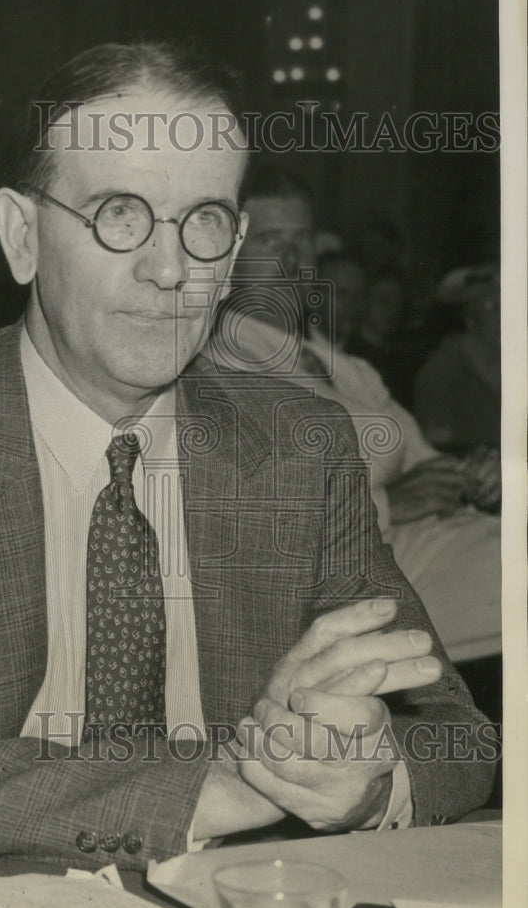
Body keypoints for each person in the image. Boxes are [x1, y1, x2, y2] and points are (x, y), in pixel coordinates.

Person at [0, 43, 494, 870]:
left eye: (204, 222)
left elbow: (461, 739)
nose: (170, 270)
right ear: (22, 236)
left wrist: (368, 779)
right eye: (119, 213)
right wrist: (230, 784)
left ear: (232, 255)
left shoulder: (304, 450)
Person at [211, 165, 501, 666]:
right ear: (229, 254)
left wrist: (477, 475)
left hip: (437, 542)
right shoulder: (216, 363)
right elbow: (248, 516)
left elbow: (425, 460)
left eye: (301, 237)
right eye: (269, 239)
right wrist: (390, 504)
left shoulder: (343, 365)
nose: (291, 255)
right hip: (351, 582)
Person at [414, 263, 501, 458]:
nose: (503, 317)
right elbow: (437, 450)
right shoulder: (443, 368)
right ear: (470, 318)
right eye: (492, 308)